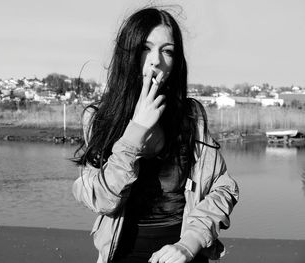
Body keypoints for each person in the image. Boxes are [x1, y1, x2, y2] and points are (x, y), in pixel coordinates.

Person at [73, 6, 239, 263]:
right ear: (128, 54)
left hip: (184, 256)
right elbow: (100, 199)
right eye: (145, 48)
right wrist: (135, 131)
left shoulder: (190, 116)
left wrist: (190, 243)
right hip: (121, 255)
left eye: (167, 51)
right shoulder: (99, 118)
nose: (156, 60)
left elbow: (223, 187)